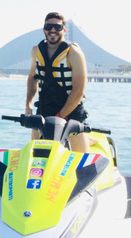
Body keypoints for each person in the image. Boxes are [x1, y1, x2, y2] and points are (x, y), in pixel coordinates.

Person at [25, 12, 90, 153]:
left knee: (82, 158)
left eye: (57, 27)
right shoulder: (36, 51)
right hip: (44, 108)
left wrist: (60, 116)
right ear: (44, 30)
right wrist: (28, 105)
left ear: (64, 30)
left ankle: (86, 140)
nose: (52, 30)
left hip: (71, 110)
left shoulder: (74, 53)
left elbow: (78, 90)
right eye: (49, 26)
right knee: (36, 154)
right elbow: (32, 78)